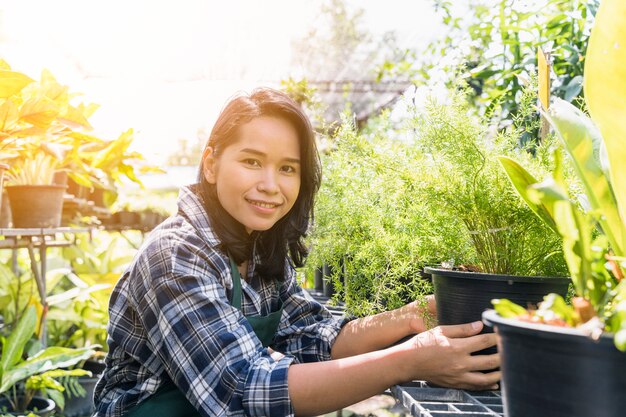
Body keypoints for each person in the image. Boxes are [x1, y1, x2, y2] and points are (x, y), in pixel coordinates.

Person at [93, 87, 500, 417]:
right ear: (212, 164)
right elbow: (242, 389)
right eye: (253, 161)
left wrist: (411, 317)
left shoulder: (262, 251)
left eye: (288, 168)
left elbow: (312, 339)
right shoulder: (175, 255)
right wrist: (409, 360)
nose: (272, 184)